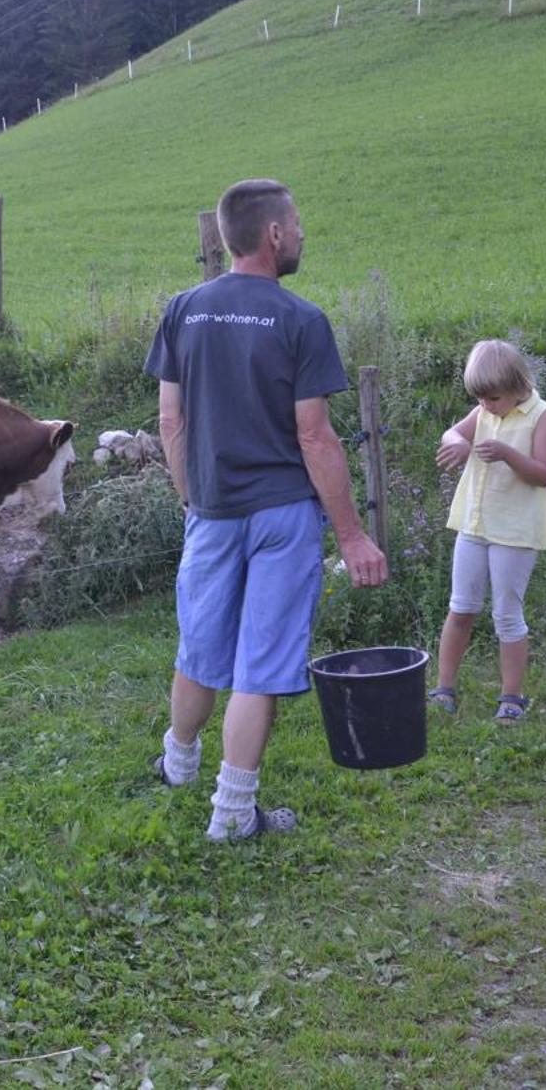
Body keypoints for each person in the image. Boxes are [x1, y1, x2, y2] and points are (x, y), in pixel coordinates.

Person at [145, 178, 388, 842]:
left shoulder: (182, 309)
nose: (303, 234)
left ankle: (177, 762)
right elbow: (315, 436)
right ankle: (231, 814)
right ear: (274, 234)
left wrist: (190, 494)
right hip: (283, 514)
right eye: (298, 224)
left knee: (199, 649)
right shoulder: (300, 319)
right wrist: (353, 534)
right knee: (261, 664)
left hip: (212, 508)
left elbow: (172, 417)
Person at [429, 340, 546, 724]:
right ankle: (444, 688)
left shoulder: (542, 416)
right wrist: (456, 444)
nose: (486, 406)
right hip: (474, 524)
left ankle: (512, 696)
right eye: (480, 399)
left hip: (516, 531)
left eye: (493, 398)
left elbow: (543, 473)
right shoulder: (485, 409)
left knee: (506, 613)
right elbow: (452, 434)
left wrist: (506, 453)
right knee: (461, 606)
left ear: (518, 385)